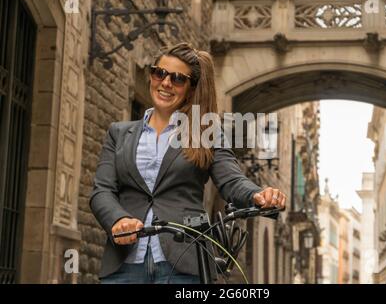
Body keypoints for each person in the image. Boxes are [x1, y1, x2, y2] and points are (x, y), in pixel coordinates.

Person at [90, 42, 287, 284]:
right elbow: (102, 191)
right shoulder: (118, 133)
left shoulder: (207, 133)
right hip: (124, 262)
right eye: (159, 73)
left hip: (185, 258)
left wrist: (258, 194)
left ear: (191, 89)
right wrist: (117, 219)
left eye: (178, 79)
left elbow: (231, 180)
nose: (165, 83)